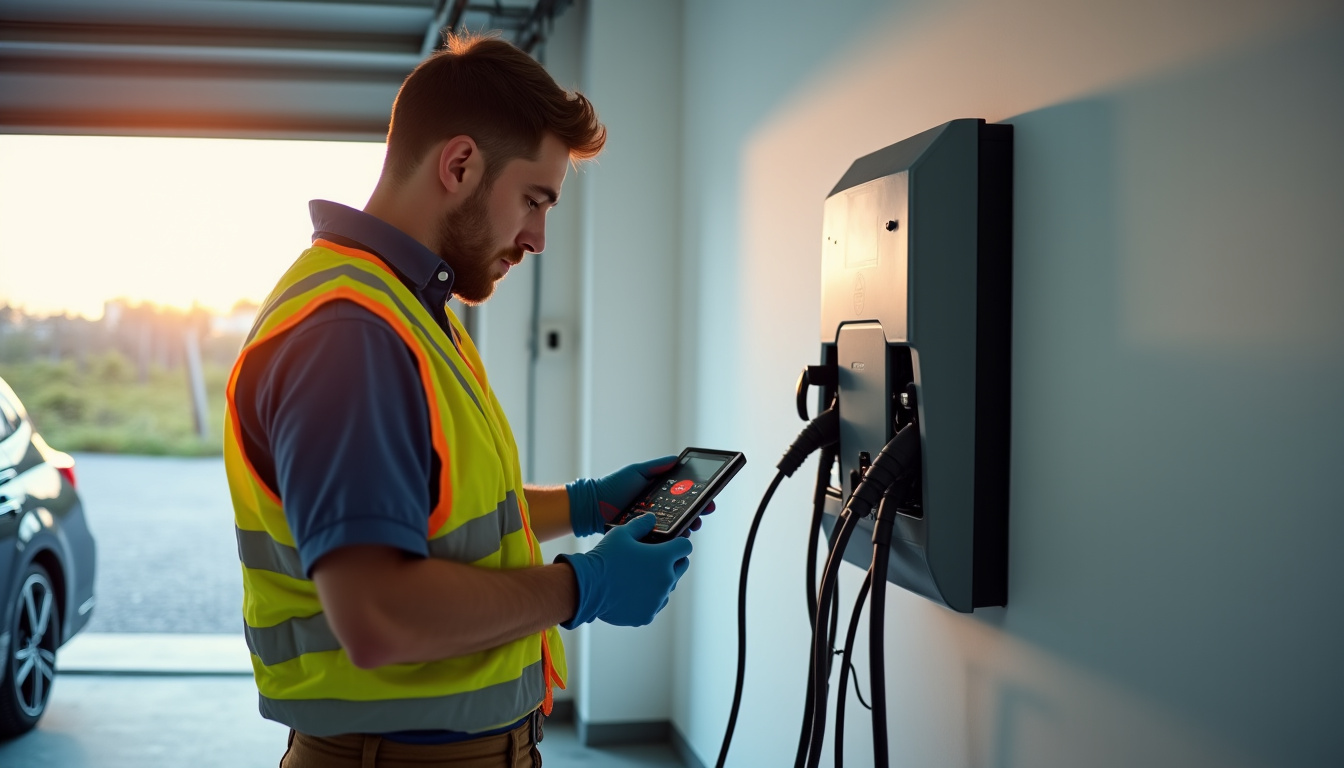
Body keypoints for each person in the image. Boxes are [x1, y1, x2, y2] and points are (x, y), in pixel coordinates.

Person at [223, 33, 700, 767]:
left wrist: (585, 506)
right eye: (534, 200)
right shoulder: (351, 335)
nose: (538, 237)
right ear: (460, 164)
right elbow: (378, 615)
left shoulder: (413, 308)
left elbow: (439, 516)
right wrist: (586, 585)